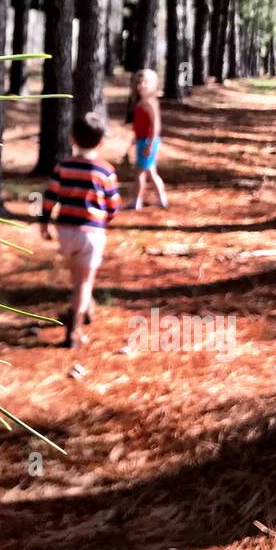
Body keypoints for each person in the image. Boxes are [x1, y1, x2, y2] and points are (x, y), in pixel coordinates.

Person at [40, 111, 121, 348]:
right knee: (84, 283)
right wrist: (107, 220)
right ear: (102, 142)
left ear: (72, 139)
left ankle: (85, 309)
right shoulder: (105, 171)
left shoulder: (63, 167)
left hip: (66, 231)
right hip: (91, 233)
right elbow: (113, 204)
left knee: (79, 278)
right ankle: (74, 331)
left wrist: (44, 222)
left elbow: (49, 196)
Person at [129, 67, 168, 211]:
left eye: (145, 82)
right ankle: (161, 199)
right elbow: (141, 124)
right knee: (151, 172)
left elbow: (156, 126)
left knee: (140, 172)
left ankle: (137, 200)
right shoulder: (142, 102)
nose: (141, 86)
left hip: (147, 141)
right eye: (139, 83)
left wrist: (150, 145)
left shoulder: (150, 103)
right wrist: (135, 138)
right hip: (142, 140)